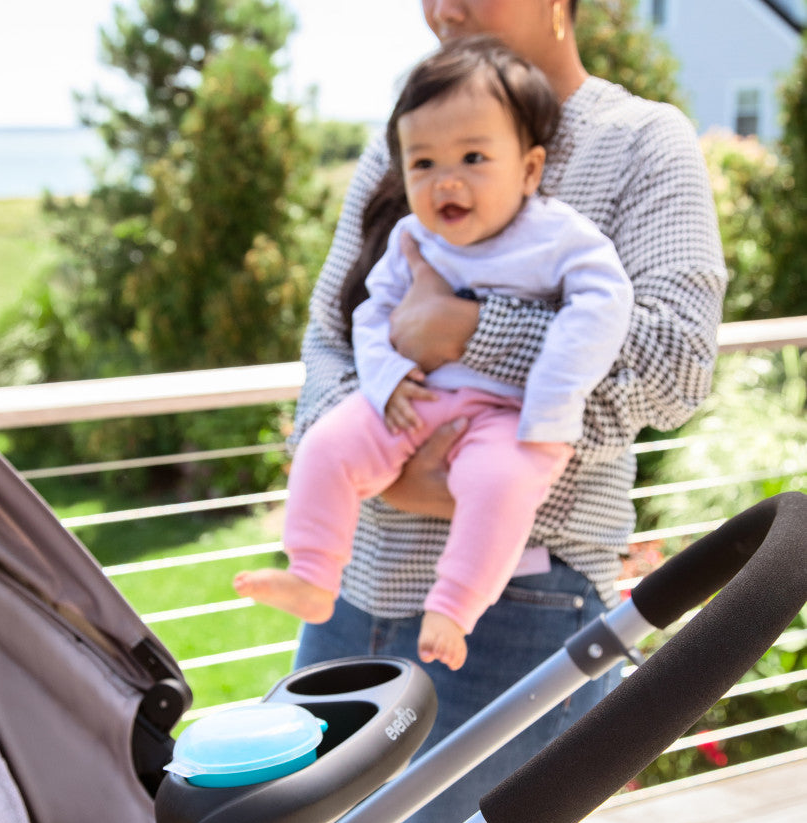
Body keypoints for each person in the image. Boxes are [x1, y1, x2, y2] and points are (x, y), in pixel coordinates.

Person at [287, 2, 727, 823]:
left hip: (527, 601)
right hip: (356, 590)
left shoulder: (643, 142)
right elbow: (332, 335)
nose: (442, 8)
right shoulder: (406, 135)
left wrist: (469, 334)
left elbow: (677, 363)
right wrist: (378, 450)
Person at [234, 38, 632, 672]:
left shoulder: (558, 235)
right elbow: (369, 313)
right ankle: (311, 574)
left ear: (529, 170)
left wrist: (552, 393)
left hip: (512, 413)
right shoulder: (412, 235)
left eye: (474, 158)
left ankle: (454, 606)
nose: (446, 180)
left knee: (499, 485)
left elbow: (606, 304)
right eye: (422, 164)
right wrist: (388, 378)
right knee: (329, 445)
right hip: (419, 396)